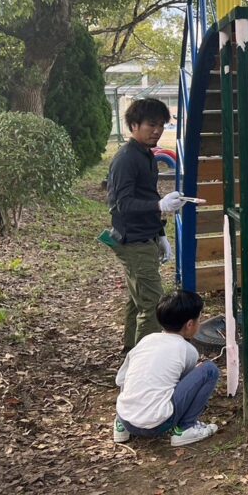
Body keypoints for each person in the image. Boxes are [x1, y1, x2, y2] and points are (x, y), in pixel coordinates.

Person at [107, 97, 184, 352]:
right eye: (151, 124)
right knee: (152, 305)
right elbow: (122, 204)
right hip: (133, 240)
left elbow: (147, 196)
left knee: (137, 301)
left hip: (146, 236)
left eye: (161, 125)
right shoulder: (127, 158)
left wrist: (160, 234)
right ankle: (143, 367)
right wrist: (159, 206)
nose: (157, 130)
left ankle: (130, 357)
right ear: (134, 125)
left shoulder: (147, 155)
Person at [113, 290, 220, 446]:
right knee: (209, 370)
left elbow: (120, 379)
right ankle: (186, 428)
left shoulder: (146, 340)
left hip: (127, 418)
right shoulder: (187, 350)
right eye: (199, 319)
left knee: (136, 371)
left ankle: (121, 427)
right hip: (158, 424)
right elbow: (184, 386)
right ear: (190, 325)